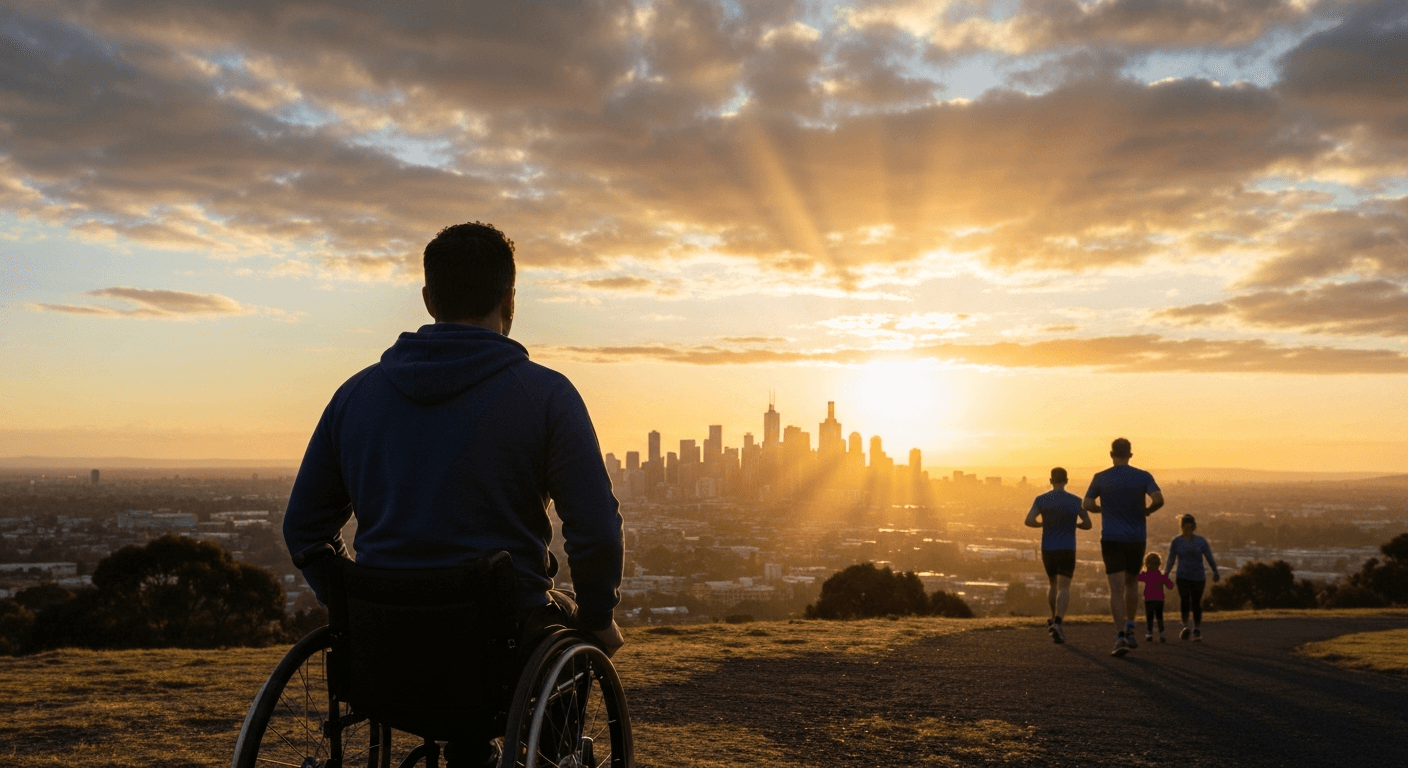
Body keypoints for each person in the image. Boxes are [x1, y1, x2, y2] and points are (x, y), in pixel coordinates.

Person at [283, 222, 624, 766]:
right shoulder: (547, 396)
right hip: (504, 656)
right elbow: (596, 529)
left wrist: (354, 604)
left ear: (428, 298)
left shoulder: (354, 396)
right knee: (573, 630)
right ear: (511, 299)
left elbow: (303, 528)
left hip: (383, 653)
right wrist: (599, 614)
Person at [1083, 437, 1163, 657]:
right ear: (1130, 454)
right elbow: (1158, 499)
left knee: (1115, 588)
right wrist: (1147, 511)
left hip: (1111, 537)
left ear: (1111, 454)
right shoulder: (1143, 476)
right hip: (1137, 537)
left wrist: (1101, 509)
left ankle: (1120, 636)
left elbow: (1087, 504)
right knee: (1131, 583)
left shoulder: (1100, 478)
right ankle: (1130, 626)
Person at [1024, 466, 1092, 644]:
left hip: (1048, 548)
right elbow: (1088, 524)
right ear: (1066, 481)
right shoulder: (1076, 501)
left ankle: (1052, 618)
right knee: (1064, 587)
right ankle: (1059, 621)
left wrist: (1043, 525)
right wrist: (1074, 525)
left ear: (1050, 481)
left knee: (1053, 583)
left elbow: (1029, 520)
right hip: (1067, 548)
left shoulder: (1041, 500)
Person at [1165, 513, 1220, 642]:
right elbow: (1171, 559)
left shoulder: (1201, 541)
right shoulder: (1176, 541)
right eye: (1185, 525)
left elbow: (1209, 556)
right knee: (1184, 600)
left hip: (1198, 576)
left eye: (1190, 525)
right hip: (1182, 576)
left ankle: (1196, 628)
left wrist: (1215, 571)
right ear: (1182, 526)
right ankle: (1184, 626)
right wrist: (1166, 574)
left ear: (1194, 526)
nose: (1188, 527)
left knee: (1196, 602)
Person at [1138, 552, 1175, 643]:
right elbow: (1170, 586)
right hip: (1159, 599)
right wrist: (1166, 578)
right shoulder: (1161, 575)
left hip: (1149, 599)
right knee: (1159, 616)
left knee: (1150, 617)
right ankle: (1161, 633)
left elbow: (1137, 578)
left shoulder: (1146, 575)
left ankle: (1150, 633)